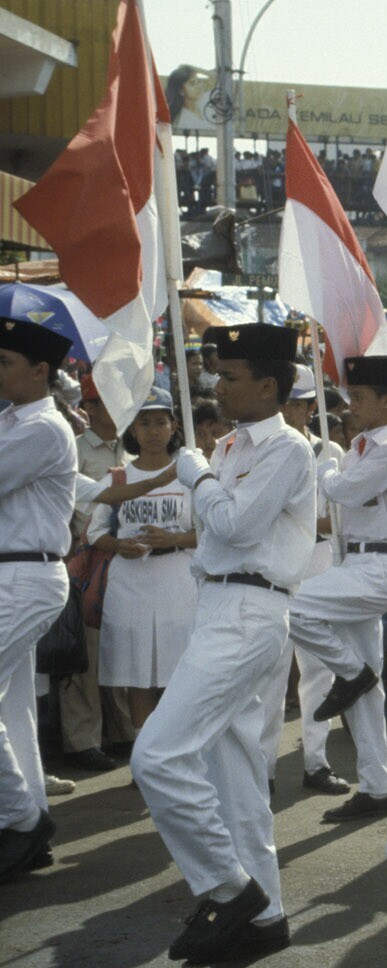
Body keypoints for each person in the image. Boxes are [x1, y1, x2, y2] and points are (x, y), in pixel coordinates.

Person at [130, 323, 314, 962]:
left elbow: (236, 525)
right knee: (235, 777)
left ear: (268, 385)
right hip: (219, 603)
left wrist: (199, 476)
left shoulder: (288, 448)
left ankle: (230, 890)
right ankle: (266, 918)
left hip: (248, 607)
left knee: (157, 755)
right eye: (217, 373)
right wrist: (207, 471)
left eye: (231, 376)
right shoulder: (234, 444)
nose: (218, 385)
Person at [291, 355, 387, 823]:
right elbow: (343, 504)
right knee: (369, 693)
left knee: (289, 606)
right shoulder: (359, 448)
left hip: (379, 566)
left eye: (361, 397)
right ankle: (376, 789)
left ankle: (349, 672)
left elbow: (343, 492)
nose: (351, 406)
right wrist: (338, 471)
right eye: (350, 397)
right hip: (355, 562)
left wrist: (326, 471)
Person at [0, 317, 77, 882]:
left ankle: (23, 821)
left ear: (40, 370)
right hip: (12, 573)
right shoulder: (11, 421)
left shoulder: (45, 428)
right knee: (13, 708)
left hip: (27, 574)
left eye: (4, 362)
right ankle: (26, 821)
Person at [258, 365, 348, 799]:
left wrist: (298, 524)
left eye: (297, 404)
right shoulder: (266, 447)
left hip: (317, 562)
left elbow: (340, 519)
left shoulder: (330, 451)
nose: (289, 410)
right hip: (277, 564)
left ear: (312, 407)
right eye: (285, 402)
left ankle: (316, 761)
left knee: (317, 671)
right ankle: (262, 768)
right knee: (271, 672)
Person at [91, 387, 199, 729]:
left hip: (177, 579)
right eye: (145, 423)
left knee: (176, 669)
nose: (153, 431)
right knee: (137, 673)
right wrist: (117, 545)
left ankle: (173, 747)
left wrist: (174, 538)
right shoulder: (118, 478)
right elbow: (93, 532)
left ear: (174, 426)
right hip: (130, 582)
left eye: (160, 422)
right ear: (132, 430)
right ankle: (143, 749)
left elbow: (211, 532)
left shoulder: (189, 477)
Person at [62, 374, 131, 771]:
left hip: (127, 559)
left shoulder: (133, 444)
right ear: (89, 407)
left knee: (121, 649)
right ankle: (82, 740)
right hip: (85, 561)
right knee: (85, 658)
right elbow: (69, 505)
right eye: (106, 400)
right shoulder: (73, 449)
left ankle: (123, 731)